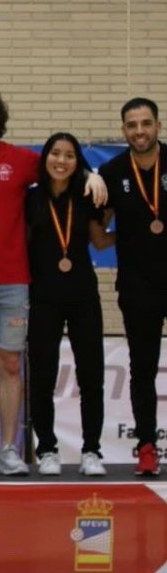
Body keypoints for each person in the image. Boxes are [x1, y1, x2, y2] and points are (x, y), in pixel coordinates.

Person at [0, 87, 103, 476]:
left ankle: (8, 449)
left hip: (12, 280)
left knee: (10, 364)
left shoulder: (22, 160)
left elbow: (61, 166)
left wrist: (92, 174)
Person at [25, 133, 108, 477]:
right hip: (43, 297)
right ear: (45, 158)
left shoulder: (87, 195)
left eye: (70, 155)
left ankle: (91, 450)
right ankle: (46, 449)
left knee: (92, 376)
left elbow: (101, 242)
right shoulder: (29, 198)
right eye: (56, 154)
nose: (62, 160)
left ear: (78, 162)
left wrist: (95, 175)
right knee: (42, 378)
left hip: (83, 296)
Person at [99, 97, 166, 477]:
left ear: (157, 125)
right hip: (138, 285)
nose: (139, 131)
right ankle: (145, 446)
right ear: (124, 130)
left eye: (145, 123)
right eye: (131, 125)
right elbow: (97, 226)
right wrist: (114, 239)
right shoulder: (111, 171)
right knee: (142, 368)